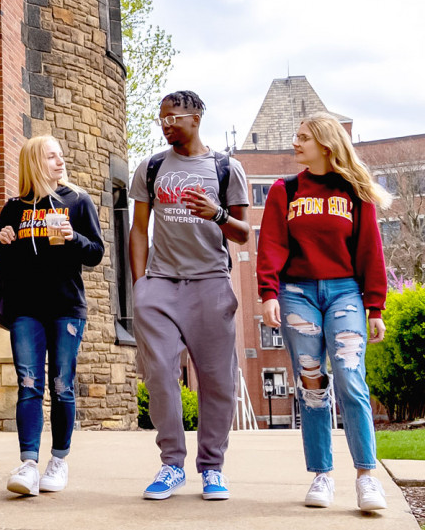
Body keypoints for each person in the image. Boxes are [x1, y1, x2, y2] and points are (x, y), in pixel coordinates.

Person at [255, 112, 391, 511]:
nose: (295, 144)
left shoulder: (354, 191)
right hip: (297, 294)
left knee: (351, 379)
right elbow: (272, 246)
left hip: (345, 293)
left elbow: (370, 249)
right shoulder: (286, 190)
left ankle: (367, 477)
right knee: (312, 384)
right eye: (295, 137)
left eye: (302, 138)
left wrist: (375, 305)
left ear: (326, 144)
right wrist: (269, 293)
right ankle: (322, 476)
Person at [129, 91, 251, 501]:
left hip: (210, 284)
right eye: (161, 118)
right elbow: (138, 229)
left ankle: (212, 467)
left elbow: (243, 232)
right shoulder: (151, 168)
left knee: (217, 380)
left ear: (196, 117)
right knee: (160, 372)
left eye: (173, 117)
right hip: (161, 285)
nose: (165, 124)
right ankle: (170, 464)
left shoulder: (225, 168)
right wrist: (139, 284)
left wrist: (215, 214)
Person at [0, 136, 105, 496]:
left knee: (61, 385)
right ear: (34, 162)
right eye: (51, 156)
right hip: (25, 309)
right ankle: (27, 465)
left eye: (60, 155)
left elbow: (96, 253)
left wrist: (73, 238)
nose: (60, 161)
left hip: (66, 307)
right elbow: (2, 253)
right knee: (28, 384)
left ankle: (58, 460)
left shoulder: (77, 201)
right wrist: (1, 239)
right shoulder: (15, 207)